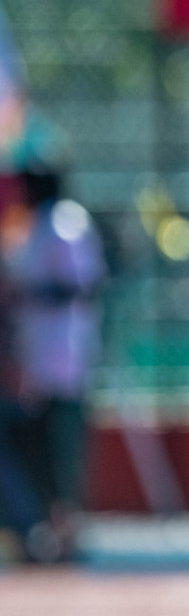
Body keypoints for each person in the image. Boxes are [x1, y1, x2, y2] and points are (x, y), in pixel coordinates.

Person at [3, 161, 103, 561]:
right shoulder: (33, 226)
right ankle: (45, 531)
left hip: (64, 363)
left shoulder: (65, 223)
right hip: (34, 365)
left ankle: (68, 535)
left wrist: (28, 292)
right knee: (37, 452)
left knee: (63, 454)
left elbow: (81, 285)